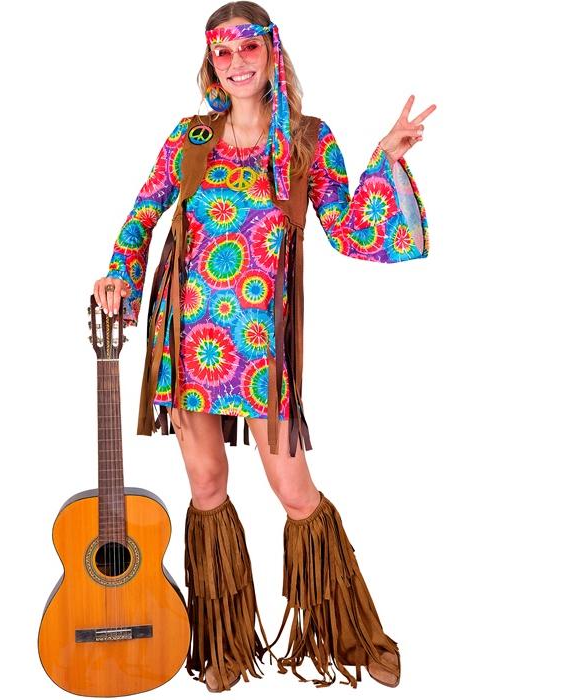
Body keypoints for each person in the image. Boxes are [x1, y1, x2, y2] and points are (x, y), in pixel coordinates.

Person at [93, 1, 435, 692]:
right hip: (188, 336)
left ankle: (350, 633)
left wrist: (386, 160)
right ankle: (222, 645)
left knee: (294, 490)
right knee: (207, 485)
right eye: (222, 52)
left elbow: (349, 230)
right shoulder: (190, 137)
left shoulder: (306, 139)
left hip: (258, 347)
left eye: (246, 48)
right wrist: (117, 274)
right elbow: (143, 213)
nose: (236, 63)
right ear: (210, 64)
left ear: (271, 52)